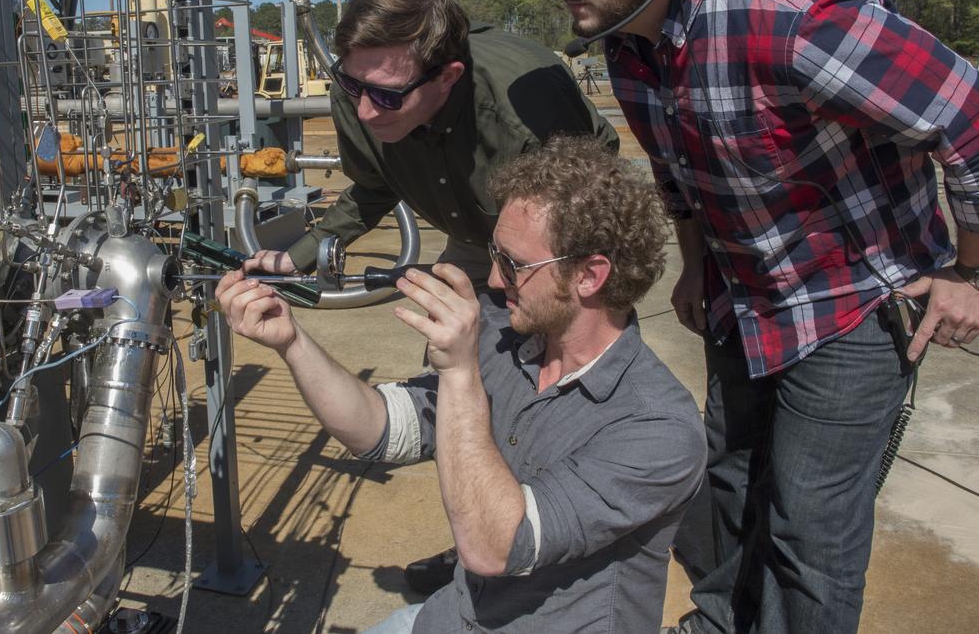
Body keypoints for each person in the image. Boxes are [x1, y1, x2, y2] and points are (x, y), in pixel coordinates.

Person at [496, 0, 979, 634]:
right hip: (743, 302)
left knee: (807, 530)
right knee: (726, 491)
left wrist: (976, 272)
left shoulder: (790, 20)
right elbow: (681, 176)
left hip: (850, 308)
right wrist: (691, 267)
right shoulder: (627, 49)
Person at [218, 135, 705, 634]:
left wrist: (458, 372)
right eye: (495, 254)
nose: (494, 279)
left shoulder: (657, 427)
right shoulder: (505, 338)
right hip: (454, 617)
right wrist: (291, 340)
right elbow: (380, 430)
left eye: (514, 264)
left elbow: (495, 546)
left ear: (589, 276)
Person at [247, 0, 619, 594]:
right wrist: (305, 252)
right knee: (461, 386)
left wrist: (530, 296)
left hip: (563, 240)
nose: (364, 109)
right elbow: (371, 187)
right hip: (477, 238)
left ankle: (562, 549)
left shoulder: (524, 108)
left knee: (561, 394)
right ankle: (479, 536)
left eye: (386, 97)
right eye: (352, 86)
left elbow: (590, 206)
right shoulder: (366, 82)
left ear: (446, 76)